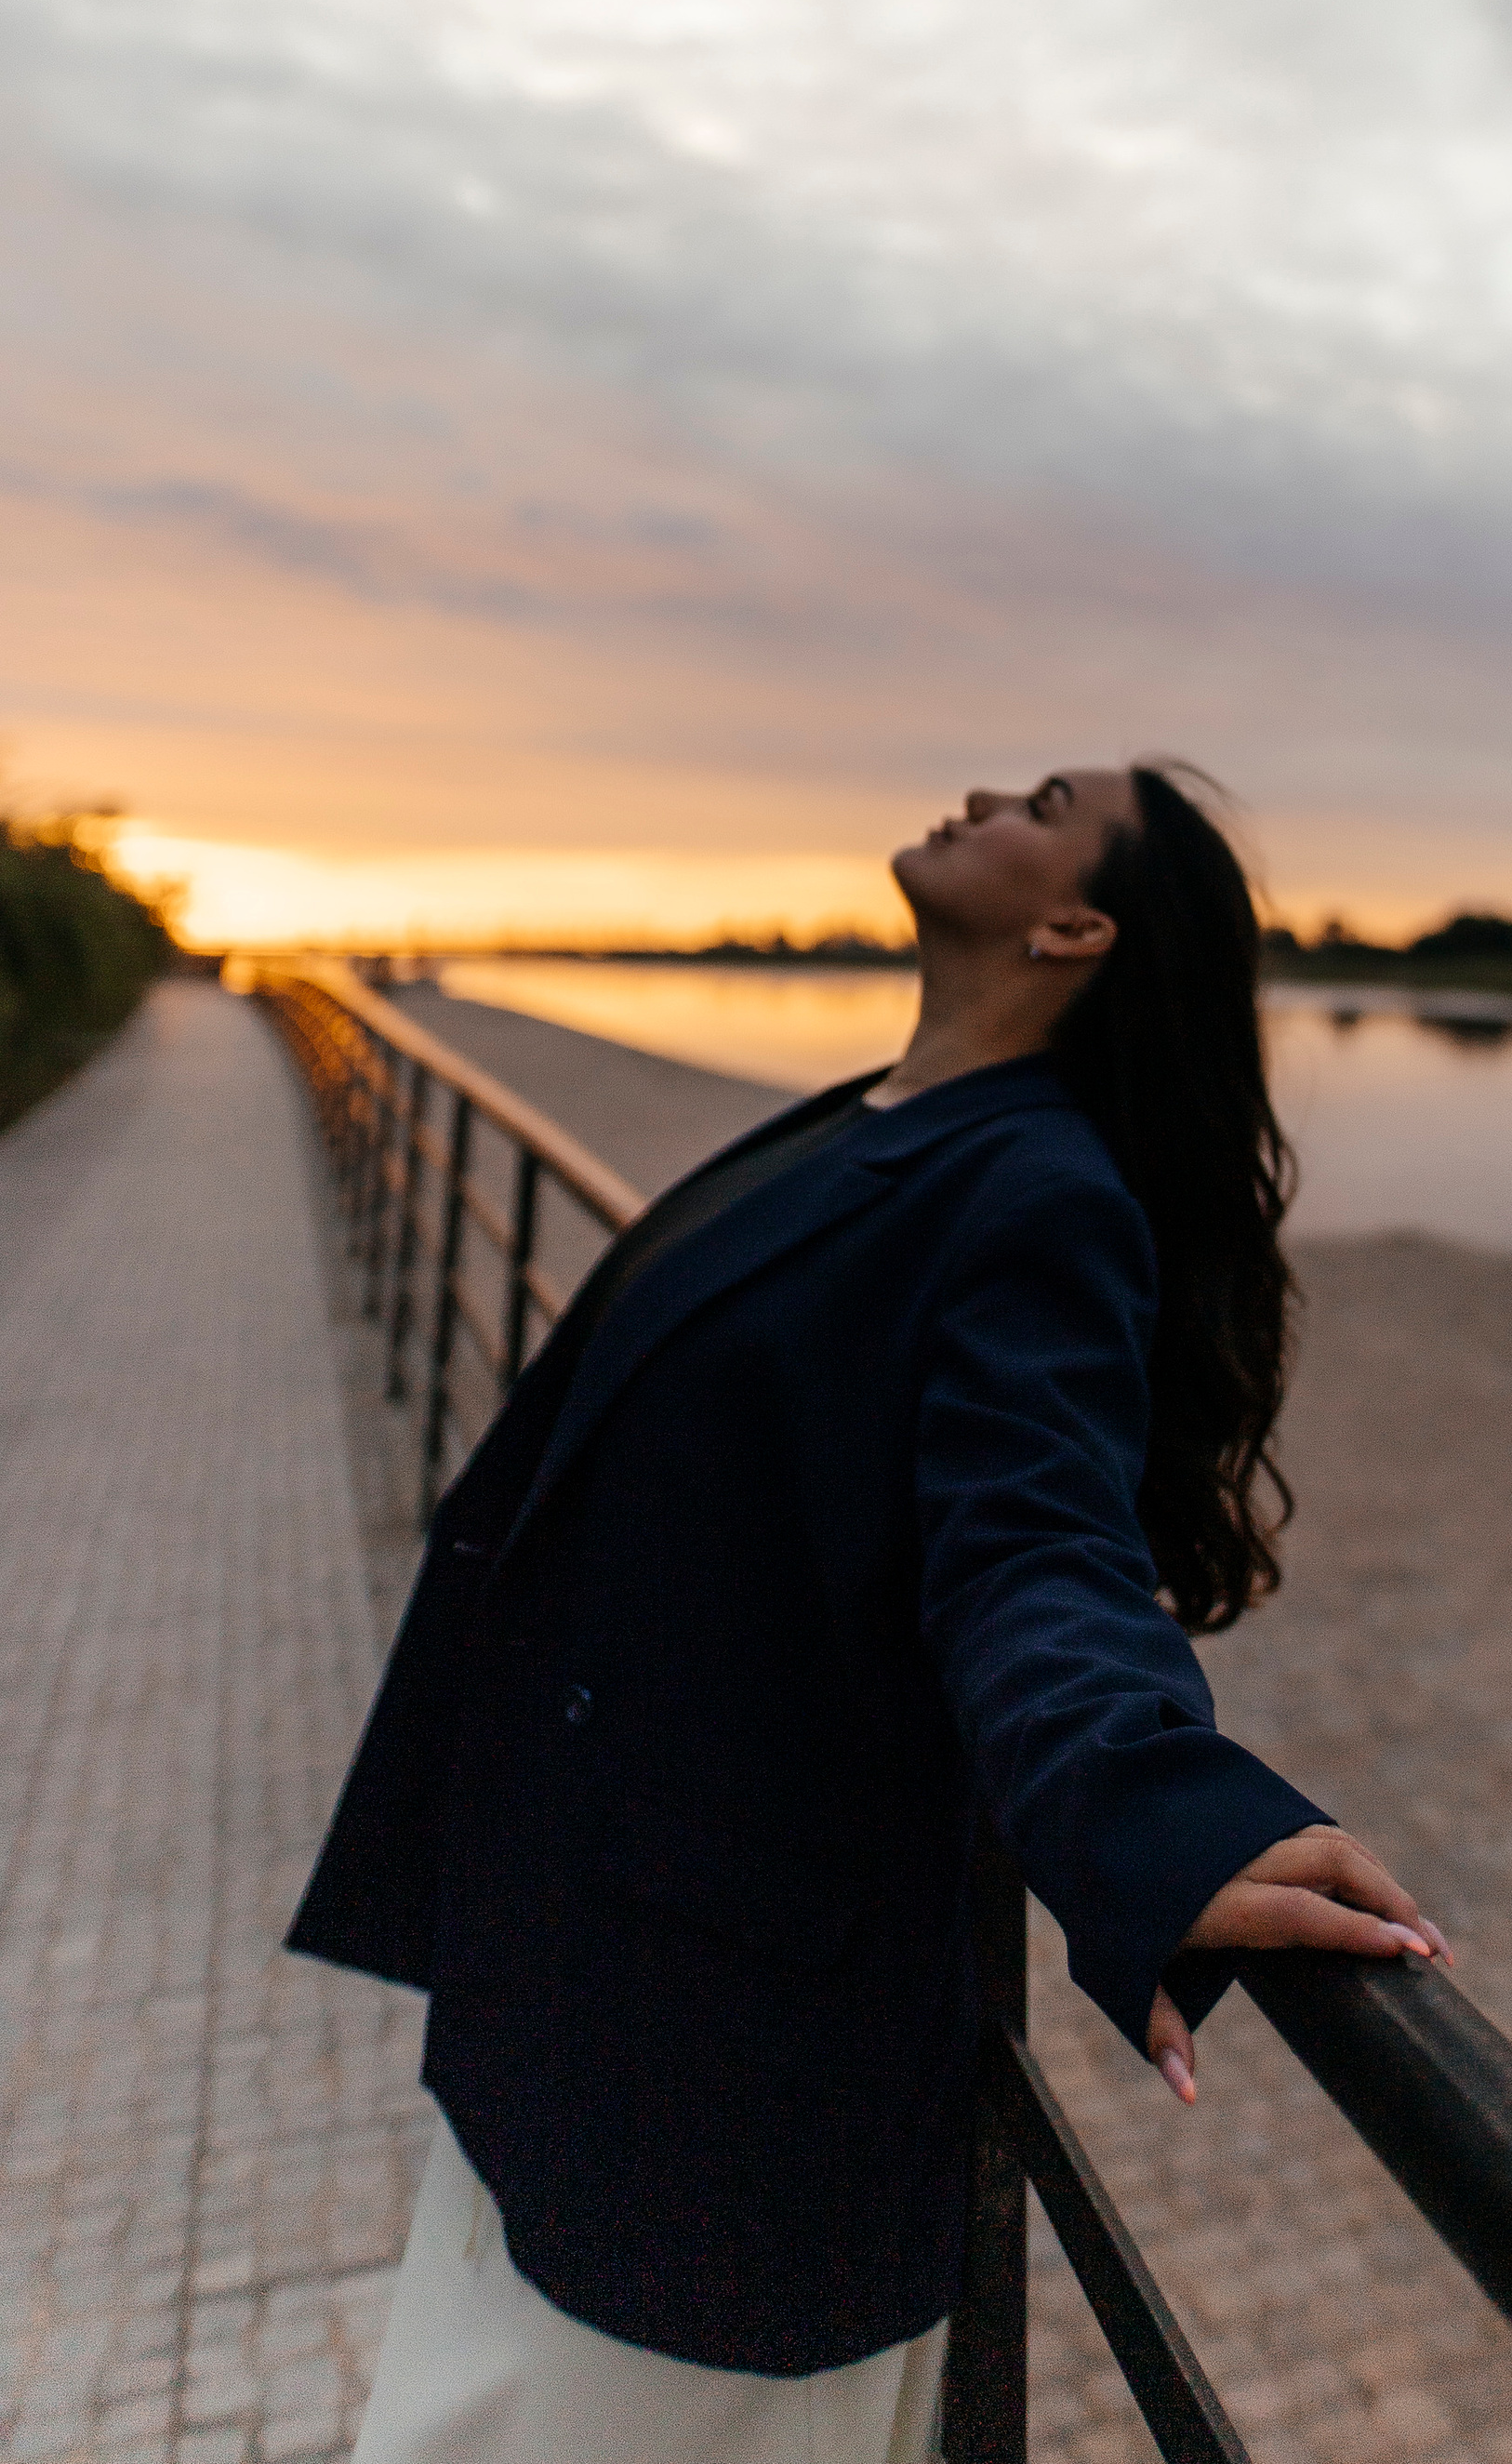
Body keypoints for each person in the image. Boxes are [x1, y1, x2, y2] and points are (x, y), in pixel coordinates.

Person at [294, 760, 1447, 2464]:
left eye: (1041, 800)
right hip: (587, 2005)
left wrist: (1141, 1801)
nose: (983, 787)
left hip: (715, 2123)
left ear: (1074, 923)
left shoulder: (1043, 1190)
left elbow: (1032, 1537)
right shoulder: (881, 1117)